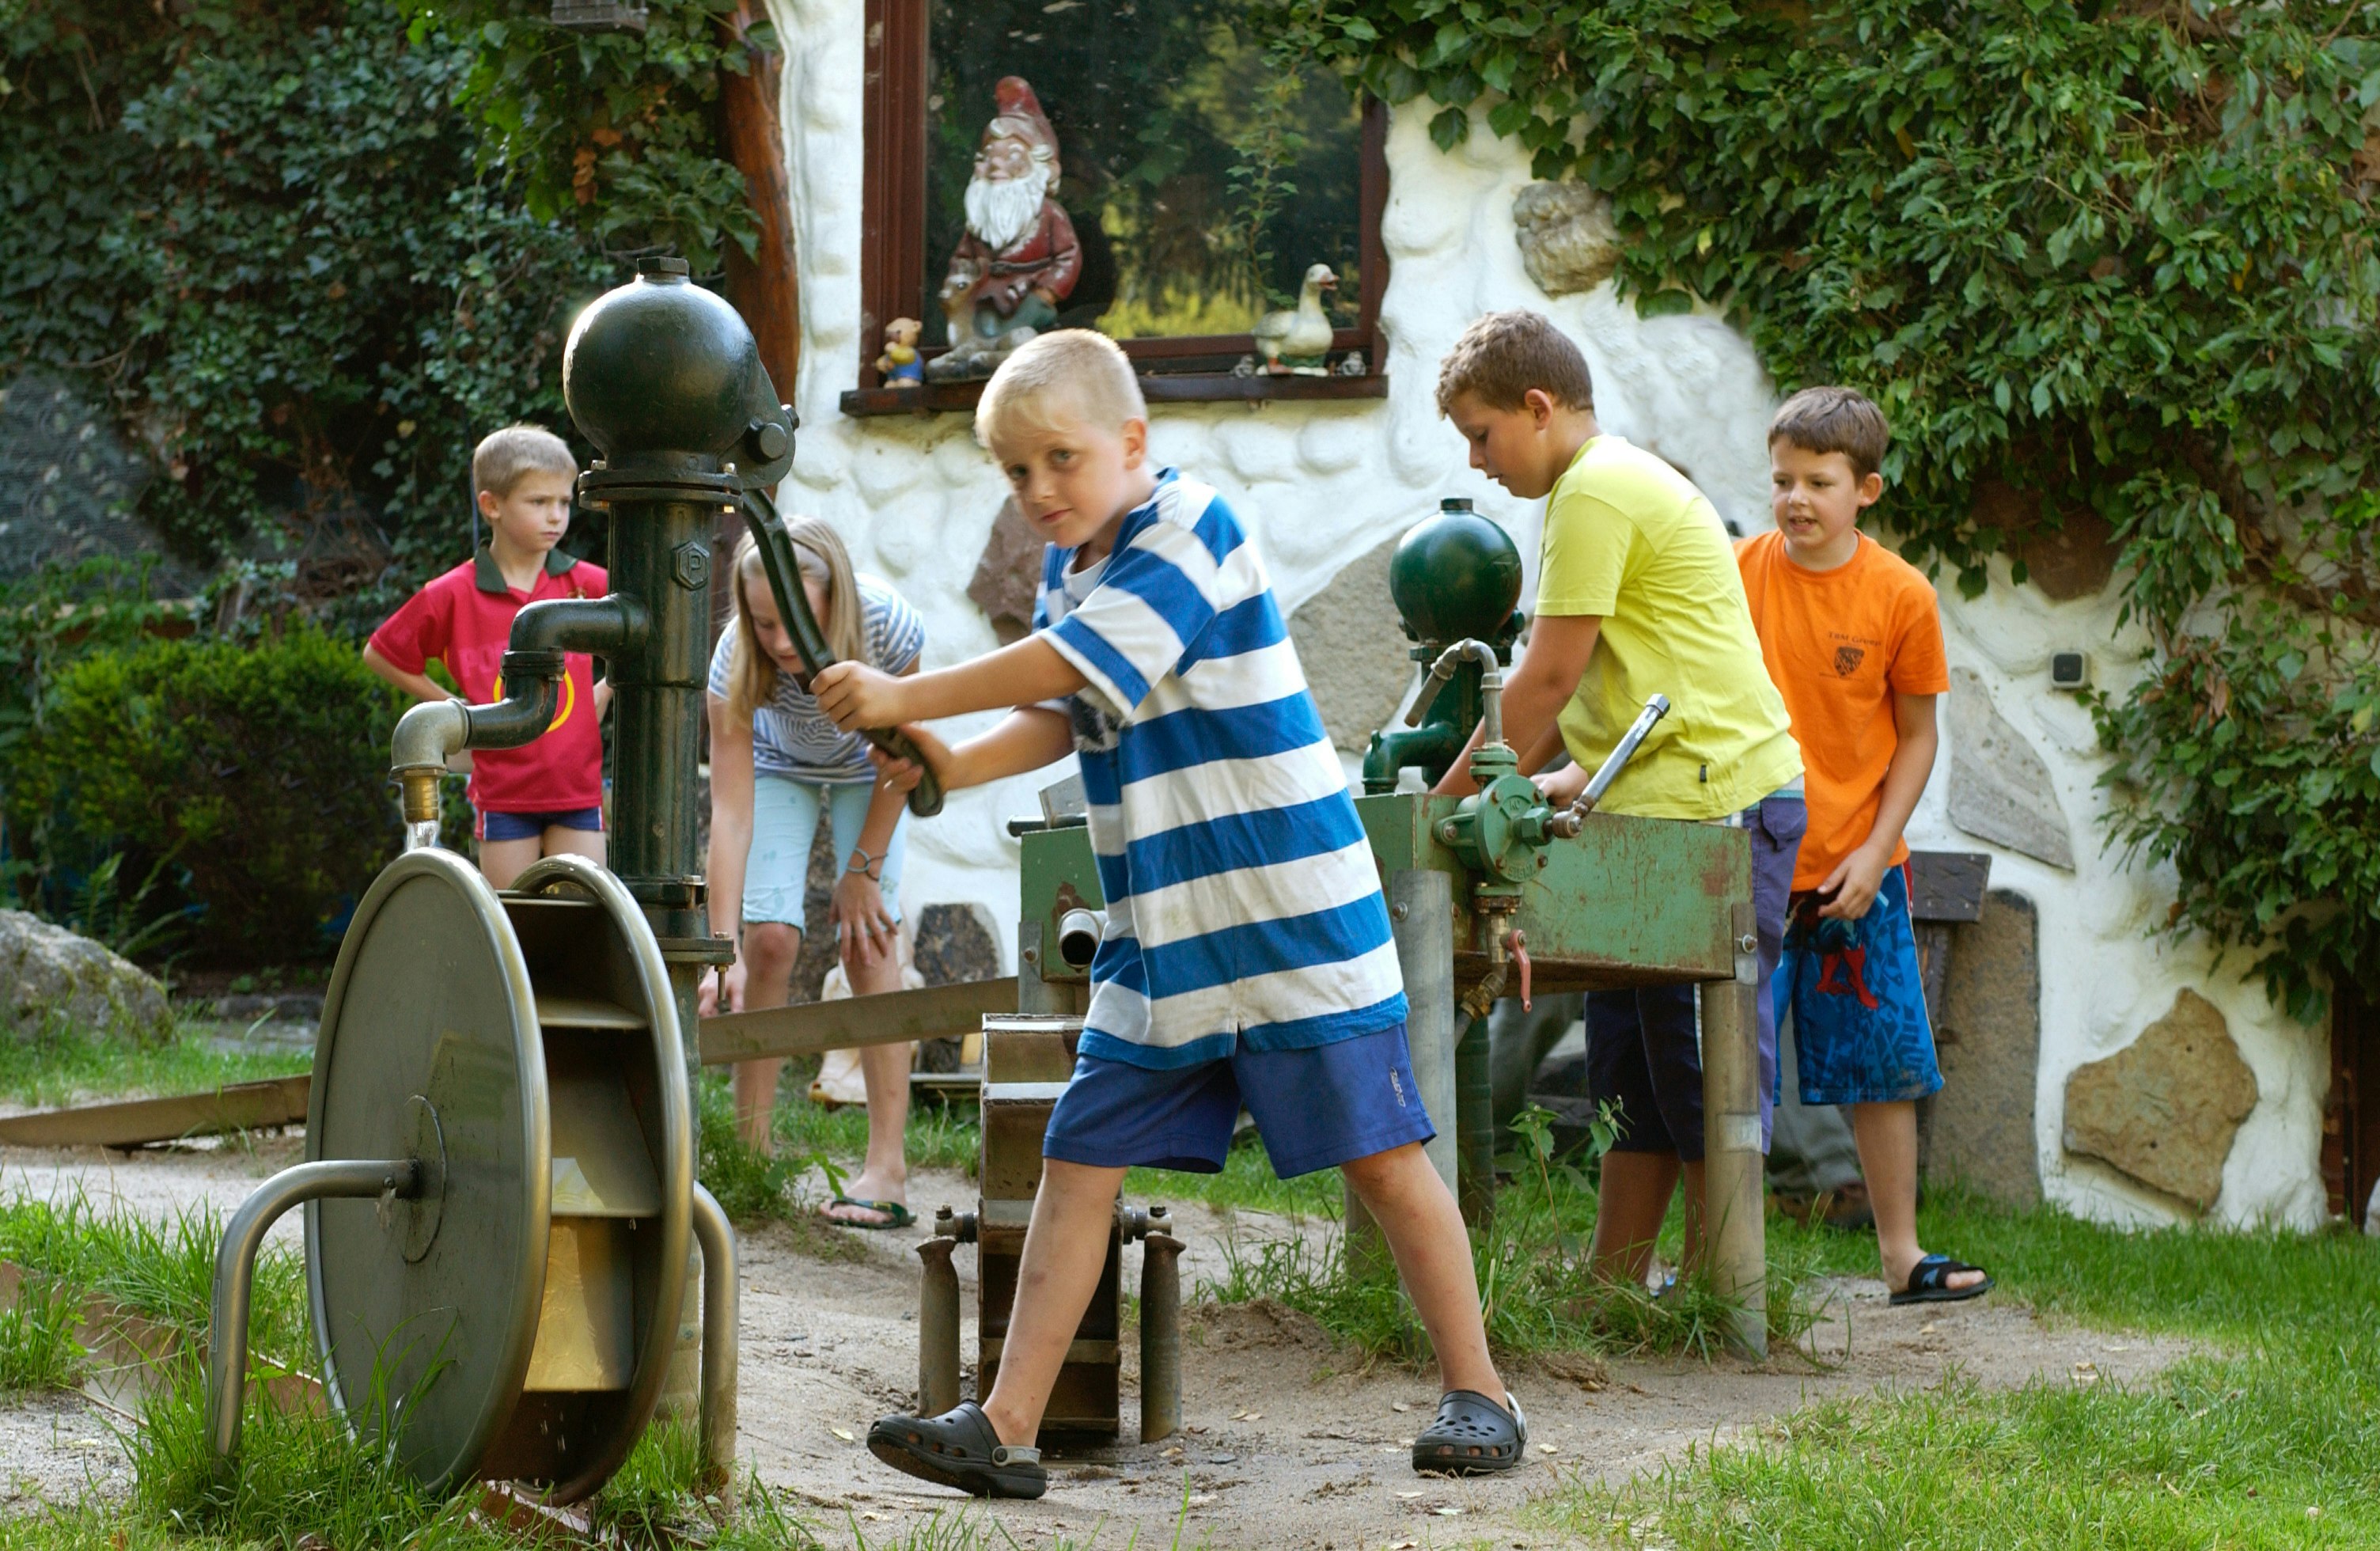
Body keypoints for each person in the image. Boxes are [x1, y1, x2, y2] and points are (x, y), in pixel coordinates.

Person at [815, 329, 1522, 1499]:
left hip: (1287, 914)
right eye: (1015, 471)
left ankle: (1481, 1391)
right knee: (1078, 1153)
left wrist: (906, 695)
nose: (1039, 488)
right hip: (1164, 930)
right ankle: (1005, 1426)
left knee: (1382, 1159)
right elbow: (1075, 707)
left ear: (1132, 440)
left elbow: (1069, 664)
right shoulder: (1071, 569)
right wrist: (952, 758)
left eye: (1061, 458)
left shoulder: (1194, 528)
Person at [1429, 310, 1803, 1288]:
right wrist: (1554, 779)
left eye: (1481, 434)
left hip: (1714, 806)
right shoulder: (1596, 485)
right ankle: (1613, 1284)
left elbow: (1546, 683)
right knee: (1629, 1062)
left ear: (1537, 406)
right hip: (1657, 801)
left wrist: (1435, 810)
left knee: (1696, 1060)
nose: (1475, 461)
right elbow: (1603, 688)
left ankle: (1722, 1293)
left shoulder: (1594, 490)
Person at [1740, 386, 1992, 1306]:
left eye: (1818, 482)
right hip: (1749, 867)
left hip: (1862, 870)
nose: (1795, 499)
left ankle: (1900, 1259)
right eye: (1782, 480)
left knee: (1883, 1067)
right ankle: (1718, 1263)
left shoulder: (1900, 594)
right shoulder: (1737, 573)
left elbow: (1917, 738)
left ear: (1866, 490)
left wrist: (1874, 847)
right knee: (1726, 1070)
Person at [696, 517, 926, 1230]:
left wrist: (863, 871)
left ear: (839, 601)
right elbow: (731, 812)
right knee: (769, 941)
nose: (780, 642)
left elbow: (906, 761)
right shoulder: (735, 656)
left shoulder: (890, 629)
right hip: (777, 766)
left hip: (872, 767)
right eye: (764, 623)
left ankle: (886, 1167)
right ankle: (749, 1151)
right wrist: (723, 947)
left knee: (868, 939)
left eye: (795, 622)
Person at [365, 423, 610, 889]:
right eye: (539, 502)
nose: (556, 516)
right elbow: (382, 653)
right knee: (510, 919)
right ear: (491, 505)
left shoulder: (587, 584)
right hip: (504, 797)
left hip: (577, 792)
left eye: (564, 502)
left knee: (585, 916)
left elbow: (644, 636)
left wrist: (605, 691)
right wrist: (453, 712)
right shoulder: (453, 593)